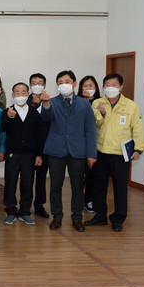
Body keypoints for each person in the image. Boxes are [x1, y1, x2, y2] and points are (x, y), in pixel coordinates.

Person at [84, 73, 144, 232]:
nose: (110, 88)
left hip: (120, 154)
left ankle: (118, 218)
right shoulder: (97, 103)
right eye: (107, 85)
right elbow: (94, 125)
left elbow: (137, 128)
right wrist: (102, 113)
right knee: (99, 186)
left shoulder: (131, 105)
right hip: (101, 152)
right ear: (103, 87)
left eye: (114, 85)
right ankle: (100, 216)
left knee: (120, 187)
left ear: (121, 87)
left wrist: (139, 149)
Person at [40, 70, 97, 232]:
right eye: (60, 82)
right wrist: (45, 105)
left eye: (66, 81)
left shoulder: (84, 103)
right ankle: (57, 216)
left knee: (77, 185)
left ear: (74, 83)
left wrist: (91, 153)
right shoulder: (51, 101)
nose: (63, 84)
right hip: (56, 150)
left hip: (78, 151)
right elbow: (46, 118)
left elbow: (90, 129)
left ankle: (77, 217)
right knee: (55, 185)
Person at [1, 83, 44, 225]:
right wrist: (10, 117)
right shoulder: (7, 111)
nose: (20, 95)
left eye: (23, 92)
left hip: (29, 155)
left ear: (28, 94)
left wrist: (38, 154)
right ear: (12, 95)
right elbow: (3, 128)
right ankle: (11, 211)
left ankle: (25, 212)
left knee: (27, 183)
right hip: (12, 153)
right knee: (10, 183)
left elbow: (39, 135)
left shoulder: (34, 113)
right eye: (17, 93)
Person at [77, 75, 101, 213]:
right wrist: (85, 101)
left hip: (97, 144)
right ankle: (78, 201)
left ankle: (89, 200)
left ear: (96, 87)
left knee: (93, 175)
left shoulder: (101, 102)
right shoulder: (77, 102)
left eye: (90, 85)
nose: (88, 88)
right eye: (85, 86)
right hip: (80, 144)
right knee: (79, 175)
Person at [27, 73, 51, 218]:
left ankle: (39, 205)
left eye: (40, 82)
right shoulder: (24, 100)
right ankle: (25, 205)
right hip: (28, 147)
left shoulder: (49, 101)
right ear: (30, 85)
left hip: (44, 146)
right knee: (27, 178)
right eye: (34, 82)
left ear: (44, 86)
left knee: (41, 178)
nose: (37, 85)